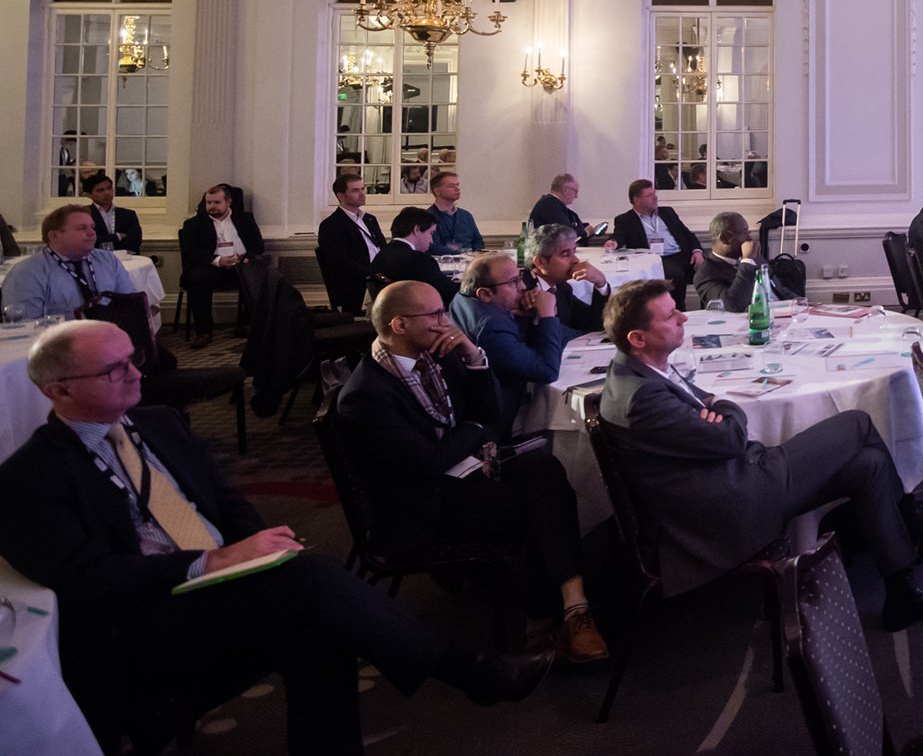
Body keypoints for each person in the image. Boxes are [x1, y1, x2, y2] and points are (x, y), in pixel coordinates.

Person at [0, 319, 552, 754]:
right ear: (59, 389)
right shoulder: (32, 476)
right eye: (114, 369)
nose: (136, 373)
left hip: (224, 583)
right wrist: (206, 565)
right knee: (315, 584)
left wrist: (256, 552)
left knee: (318, 630)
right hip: (145, 612)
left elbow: (228, 504)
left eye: (133, 359)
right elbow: (86, 580)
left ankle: (457, 679)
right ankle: (467, 671)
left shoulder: (161, 423)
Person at [595, 280, 923, 630]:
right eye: (671, 316)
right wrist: (723, 405)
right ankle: (911, 515)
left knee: (869, 465)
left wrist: (714, 409)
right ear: (637, 338)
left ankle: (901, 592)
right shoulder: (640, 398)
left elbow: (709, 412)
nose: (683, 319)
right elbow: (732, 435)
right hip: (732, 500)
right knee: (858, 423)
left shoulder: (640, 367)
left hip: (733, 475)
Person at [334, 280, 608, 664]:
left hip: (468, 469)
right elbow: (432, 460)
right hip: (425, 502)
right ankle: (556, 608)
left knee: (546, 471)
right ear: (399, 325)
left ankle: (573, 606)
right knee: (535, 508)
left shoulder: (437, 355)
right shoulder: (367, 394)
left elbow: (490, 412)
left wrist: (473, 355)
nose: (446, 322)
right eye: (434, 314)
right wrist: (475, 432)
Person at [449, 250, 571, 436]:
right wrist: (547, 315)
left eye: (520, 277)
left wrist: (529, 316)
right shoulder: (492, 327)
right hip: (502, 417)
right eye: (513, 282)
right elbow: (547, 371)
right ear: (485, 294)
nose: (523, 286)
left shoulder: (464, 298)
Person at [2, 205, 139, 321]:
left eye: (92, 227)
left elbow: (130, 305)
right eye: (82, 228)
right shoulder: (27, 273)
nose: (92, 233)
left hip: (110, 340)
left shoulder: (108, 260)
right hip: (58, 347)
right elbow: (24, 325)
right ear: (54, 236)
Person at [177, 184, 265, 348]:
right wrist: (218, 260)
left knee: (260, 275)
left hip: (241, 265)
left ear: (228, 202)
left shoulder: (245, 219)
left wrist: (246, 258)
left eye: (217, 202)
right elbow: (190, 252)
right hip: (212, 267)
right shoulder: (193, 224)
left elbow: (258, 245)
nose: (212, 207)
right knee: (197, 279)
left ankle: (249, 324)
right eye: (208, 203)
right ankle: (204, 332)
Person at [609, 179, 701, 305]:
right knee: (674, 274)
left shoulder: (667, 212)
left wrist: (697, 251)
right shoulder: (625, 219)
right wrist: (613, 242)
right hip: (657, 258)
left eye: (654, 193)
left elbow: (687, 234)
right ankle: (678, 310)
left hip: (682, 254)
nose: (655, 198)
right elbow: (619, 236)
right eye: (649, 195)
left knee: (711, 270)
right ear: (636, 200)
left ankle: (708, 310)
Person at [317, 174, 386, 317]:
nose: (362, 194)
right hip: (357, 285)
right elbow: (340, 264)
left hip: (379, 278)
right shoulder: (332, 225)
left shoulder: (369, 219)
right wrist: (373, 274)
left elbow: (383, 249)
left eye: (363, 189)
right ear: (341, 196)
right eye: (355, 190)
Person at [527, 223, 611, 333]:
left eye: (574, 251)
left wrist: (601, 283)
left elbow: (592, 324)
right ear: (540, 262)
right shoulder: (524, 290)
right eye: (565, 254)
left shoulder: (562, 288)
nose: (575, 260)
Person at [371, 206, 461, 306]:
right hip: (418, 315)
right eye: (431, 233)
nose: (431, 240)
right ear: (417, 229)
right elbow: (449, 293)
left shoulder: (382, 255)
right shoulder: (419, 260)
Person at [693, 211, 763, 312]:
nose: (749, 238)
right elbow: (733, 306)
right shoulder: (705, 275)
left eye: (748, 232)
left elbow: (779, 289)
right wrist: (747, 262)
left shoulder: (755, 257)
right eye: (744, 233)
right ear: (724, 238)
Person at [529, 173, 600, 244]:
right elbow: (566, 233)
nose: (576, 196)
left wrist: (588, 229)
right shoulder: (549, 205)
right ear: (565, 190)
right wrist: (586, 232)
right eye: (575, 191)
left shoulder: (553, 204)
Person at [84, 171, 144, 255]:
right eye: (100, 190)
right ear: (89, 195)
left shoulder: (128, 214)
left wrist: (104, 240)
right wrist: (117, 237)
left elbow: (135, 241)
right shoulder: (84, 214)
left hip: (125, 259)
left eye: (109, 188)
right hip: (95, 259)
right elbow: (87, 240)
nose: (106, 193)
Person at [427, 170, 483, 256]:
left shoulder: (466, 215)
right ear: (437, 191)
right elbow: (432, 246)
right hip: (443, 263)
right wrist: (462, 254)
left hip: (469, 262)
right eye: (451, 186)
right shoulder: (428, 217)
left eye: (457, 185)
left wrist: (475, 255)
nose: (457, 188)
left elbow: (478, 242)